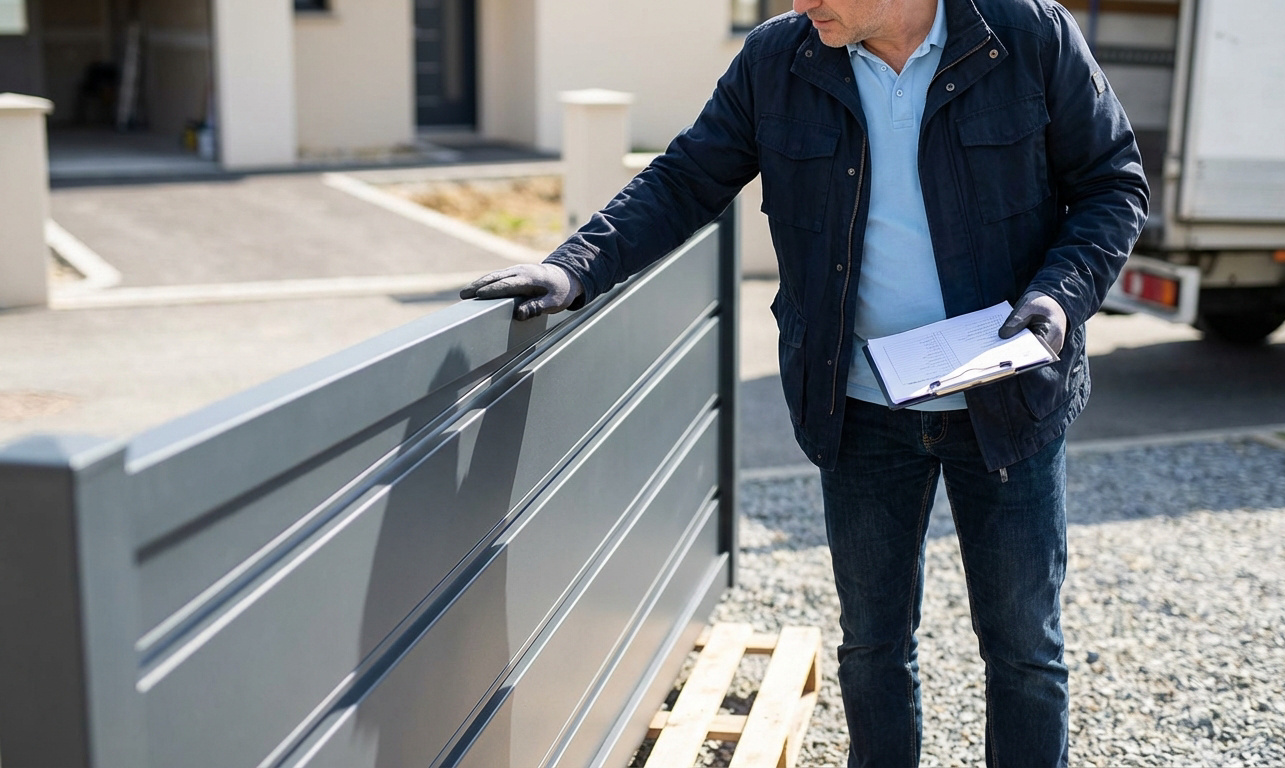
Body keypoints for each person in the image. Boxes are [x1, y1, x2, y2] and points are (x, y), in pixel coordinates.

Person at [461, 0, 1148, 764]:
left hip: (1008, 402)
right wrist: (572, 266)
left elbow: (1112, 184)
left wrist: (1059, 294)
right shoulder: (778, 60)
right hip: (857, 405)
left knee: (1025, 649)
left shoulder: (1027, 33)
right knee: (873, 646)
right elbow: (685, 178)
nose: (798, 3)